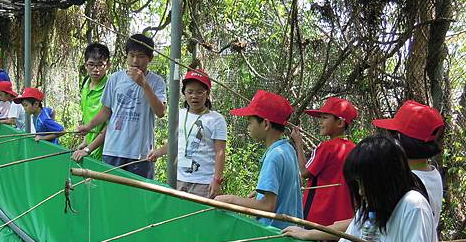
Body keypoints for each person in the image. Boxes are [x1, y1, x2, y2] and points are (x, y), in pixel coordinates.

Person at [267, 135, 438, 242]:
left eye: (364, 183)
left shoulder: (413, 205)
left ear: (384, 179)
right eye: (357, 185)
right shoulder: (371, 208)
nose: (361, 192)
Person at [372, 100, 446, 242]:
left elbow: (371, 217)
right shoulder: (432, 172)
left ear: (400, 142)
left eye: (392, 136)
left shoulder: (406, 183)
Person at [77, 34, 166, 178]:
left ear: (150, 58)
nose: (135, 60)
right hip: (113, 149)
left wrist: (144, 84)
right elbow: (106, 111)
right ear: (127, 56)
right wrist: (89, 126)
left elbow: (160, 112)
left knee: (139, 197)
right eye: (131, 55)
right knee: (111, 195)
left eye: (141, 56)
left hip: (140, 153)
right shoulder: (115, 78)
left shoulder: (157, 81)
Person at [215, 90, 303, 229]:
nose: (248, 127)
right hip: (290, 231)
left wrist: (230, 200)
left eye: (250, 122)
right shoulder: (288, 149)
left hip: (272, 234)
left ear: (266, 124)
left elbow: (268, 206)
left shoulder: (274, 157)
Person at [148, 69, 226, 198]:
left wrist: (216, 179)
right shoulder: (179, 114)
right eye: (190, 92)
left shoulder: (216, 120)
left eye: (200, 92)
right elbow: (174, 143)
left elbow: (220, 152)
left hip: (203, 182)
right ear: (184, 93)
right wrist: (158, 152)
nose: (194, 96)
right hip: (178, 179)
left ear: (207, 94)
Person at [290, 97, 357, 227]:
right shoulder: (353, 148)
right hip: (343, 219)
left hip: (317, 217)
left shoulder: (325, 147)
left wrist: (298, 143)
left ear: (340, 123)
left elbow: (304, 172)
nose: (319, 122)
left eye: (324, 118)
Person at [72, 43, 111, 162]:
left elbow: (110, 126)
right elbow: (87, 118)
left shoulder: (110, 88)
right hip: (89, 151)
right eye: (91, 65)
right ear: (85, 65)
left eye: (100, 65)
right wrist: (85, 142)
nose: (96, 69)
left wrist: (88, 149)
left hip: (105, 153)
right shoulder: (85, 85)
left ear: (108, 65)